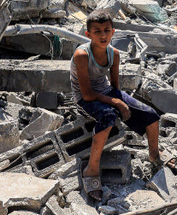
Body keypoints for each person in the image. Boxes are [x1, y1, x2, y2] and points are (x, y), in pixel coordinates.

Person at [70, 11, 169, 202]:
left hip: (106, 93)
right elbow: (87, 94)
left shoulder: (113, 54)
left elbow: (115, 88)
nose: (103, 35)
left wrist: (122, 102)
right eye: (97, 31)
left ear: (113, 32)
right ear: (88, 34)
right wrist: (116, 103)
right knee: (106, 116)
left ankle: (154, 154)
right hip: (85, 98)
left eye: (106, 30)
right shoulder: (82, 55)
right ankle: (91, 170)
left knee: (151, 114)